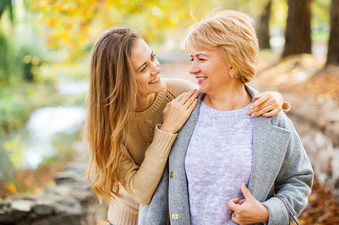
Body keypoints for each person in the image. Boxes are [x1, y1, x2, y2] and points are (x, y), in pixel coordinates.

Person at [86, 27, 289, 225]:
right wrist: (166, 130)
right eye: (143, 68)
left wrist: (273, 98)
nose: (157, 68)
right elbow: (141, 192)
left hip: (175, 215)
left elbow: (228, 98)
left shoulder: (180, 93)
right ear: (121, 80)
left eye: (153, 57)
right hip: (130, 218)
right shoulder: (108, 127)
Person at [139, 10, 313, 225]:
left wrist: (267, 212)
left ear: (234, 62)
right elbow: (158, 192)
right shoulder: (180, 112)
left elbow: (298, 179)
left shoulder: (271, 119)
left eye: (202, 59)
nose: (192, 69)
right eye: (191, 58)